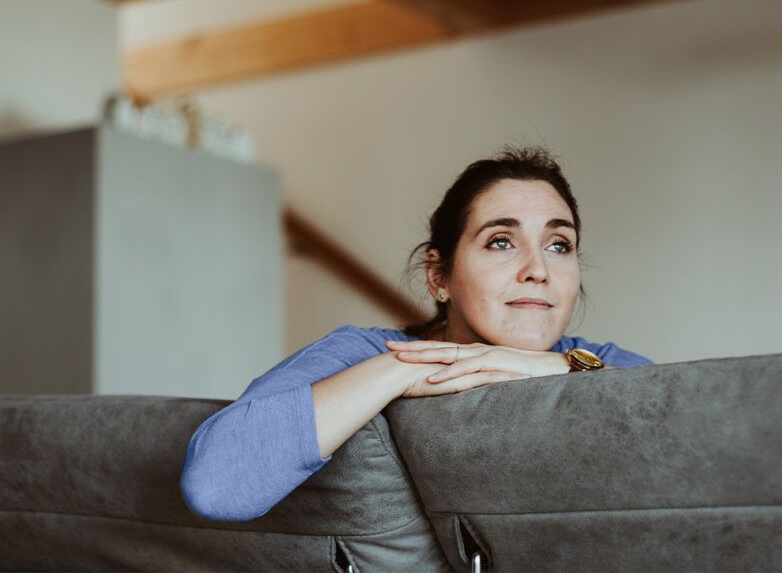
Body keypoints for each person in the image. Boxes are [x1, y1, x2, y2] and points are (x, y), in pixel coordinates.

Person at [180, 146, 654, 521]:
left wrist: (557, 367)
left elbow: (693, 454)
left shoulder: (603, 362)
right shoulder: (362, 353)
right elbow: (217, 486)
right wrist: (398, 370)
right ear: (438, 275)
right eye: (501, 241)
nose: (538, 269)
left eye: (559, 244)